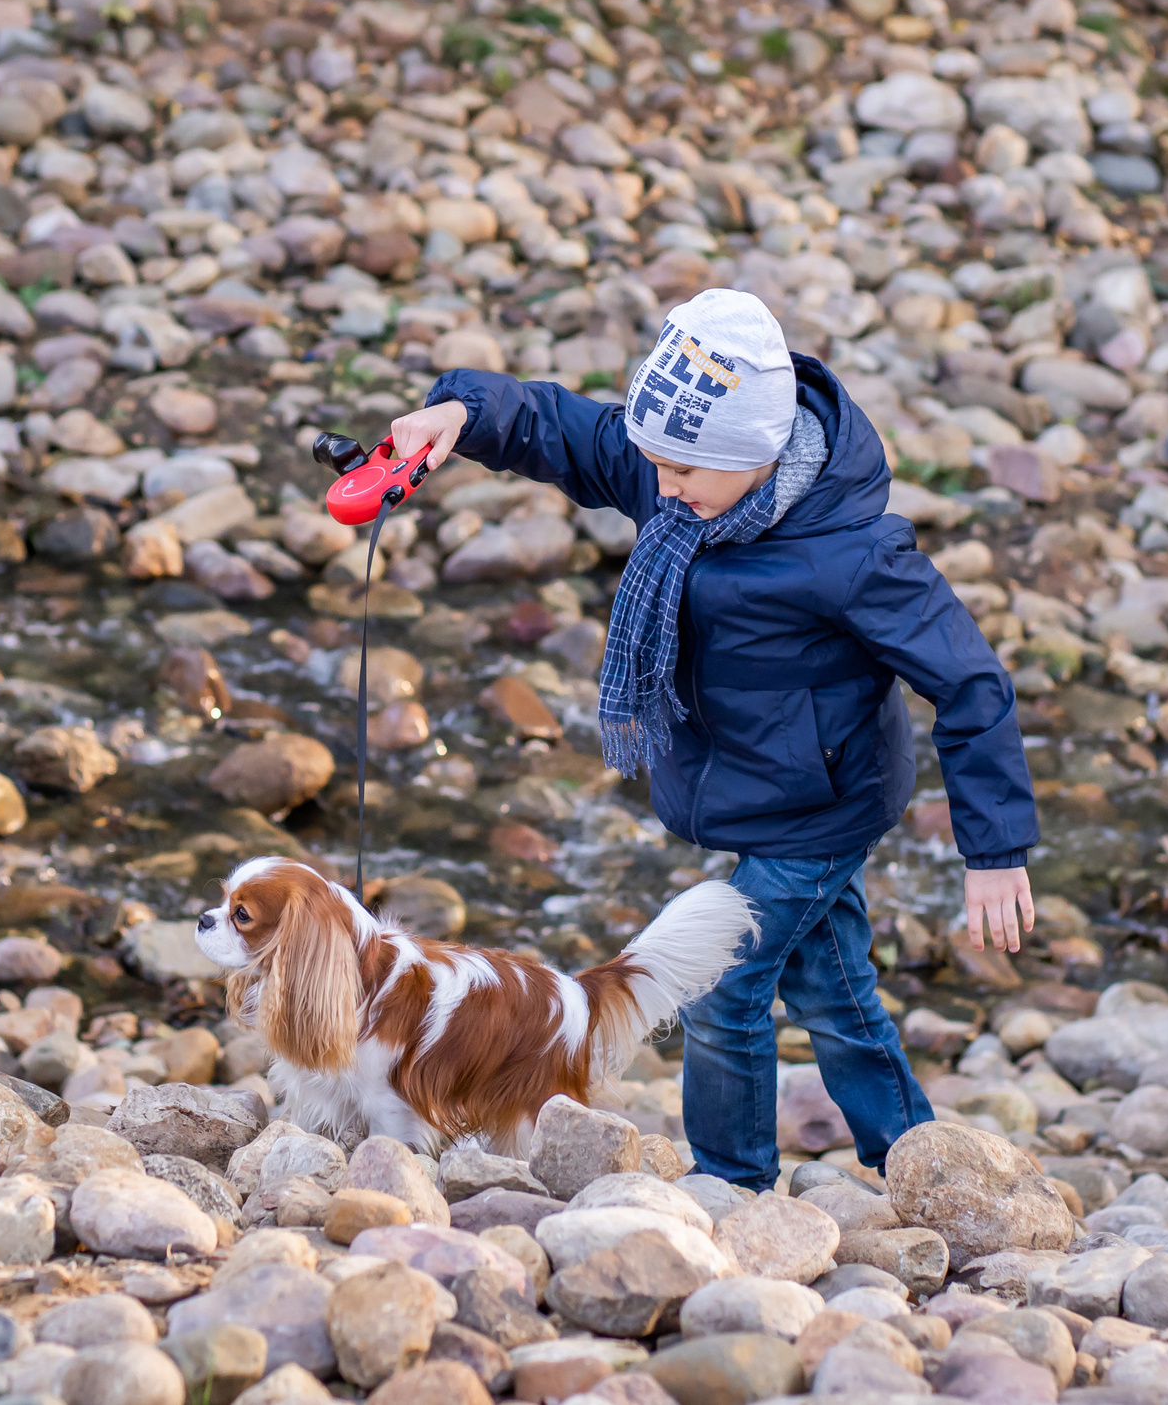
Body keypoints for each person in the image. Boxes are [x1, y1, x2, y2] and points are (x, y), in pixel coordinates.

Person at [383, 287, 1039, 1191]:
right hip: (757, 789)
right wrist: (462, 409)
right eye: (652, 465)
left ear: (760, 457)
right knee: (833, 987)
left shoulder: (851, 554)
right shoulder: (677, 479)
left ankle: (732, 1186)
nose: (661, 486)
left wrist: (995, 848)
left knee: (722, 983)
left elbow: (969, 678)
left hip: (821, 805)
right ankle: (914, 1160)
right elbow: (561, 427)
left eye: (683, 472)